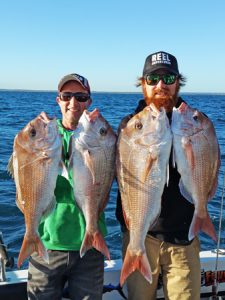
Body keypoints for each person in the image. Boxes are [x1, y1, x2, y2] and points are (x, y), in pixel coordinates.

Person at [116, 51, 201, 300]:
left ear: (178, 82)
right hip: (140, 237)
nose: (160, 85)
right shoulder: (130, 125)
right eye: (152, 79)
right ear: (143, 83)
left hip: (183, 237)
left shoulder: (193, 123)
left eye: (168, 77)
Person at [27, 73, 107, 300]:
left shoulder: (101, 137)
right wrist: (33, 133)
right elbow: (26, 174)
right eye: (67, 95)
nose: (74, 103)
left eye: (81, 97)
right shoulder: (45, 136)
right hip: (46, 244)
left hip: (90, 248)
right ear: (58, 100)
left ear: (89, 101)